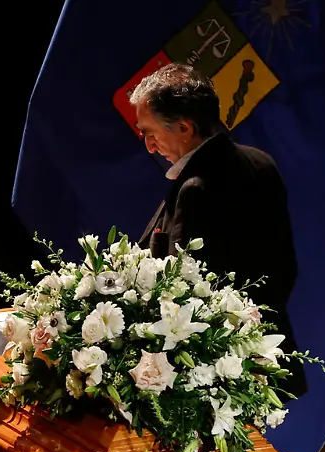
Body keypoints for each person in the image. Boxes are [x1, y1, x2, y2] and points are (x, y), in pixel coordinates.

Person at [131, 62, 307, 399]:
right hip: (264, 360)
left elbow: (180, 295)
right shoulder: (260, 161)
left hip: (213, 380)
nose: (149, 146)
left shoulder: (196, 189)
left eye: (149, 132)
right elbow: (285, 270)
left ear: (184, 128)